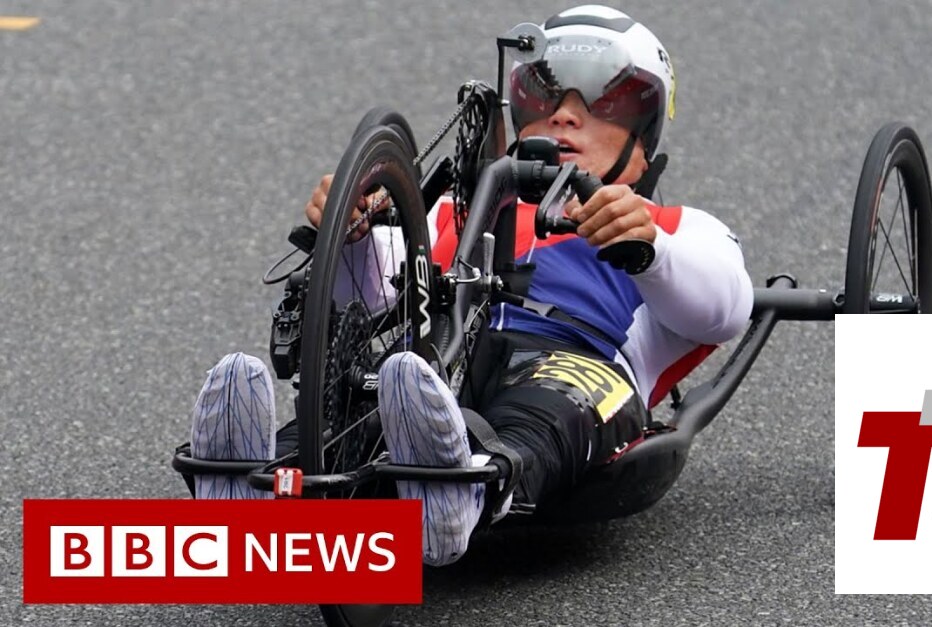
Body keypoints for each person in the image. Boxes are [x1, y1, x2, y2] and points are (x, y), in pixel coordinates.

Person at [186, 4, 753, 566]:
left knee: (546, 405)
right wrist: (350, 231)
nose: (564, 116)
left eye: (604, 102)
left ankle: (466, 493)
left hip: (572, 361)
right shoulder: (452, 211)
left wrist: (650, 248)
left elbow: (724, 311)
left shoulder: (678, 228)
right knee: (374, 395)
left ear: (644, 130)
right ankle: (256, 479)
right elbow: (374, 295)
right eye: (544, 95)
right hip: (436, 363)